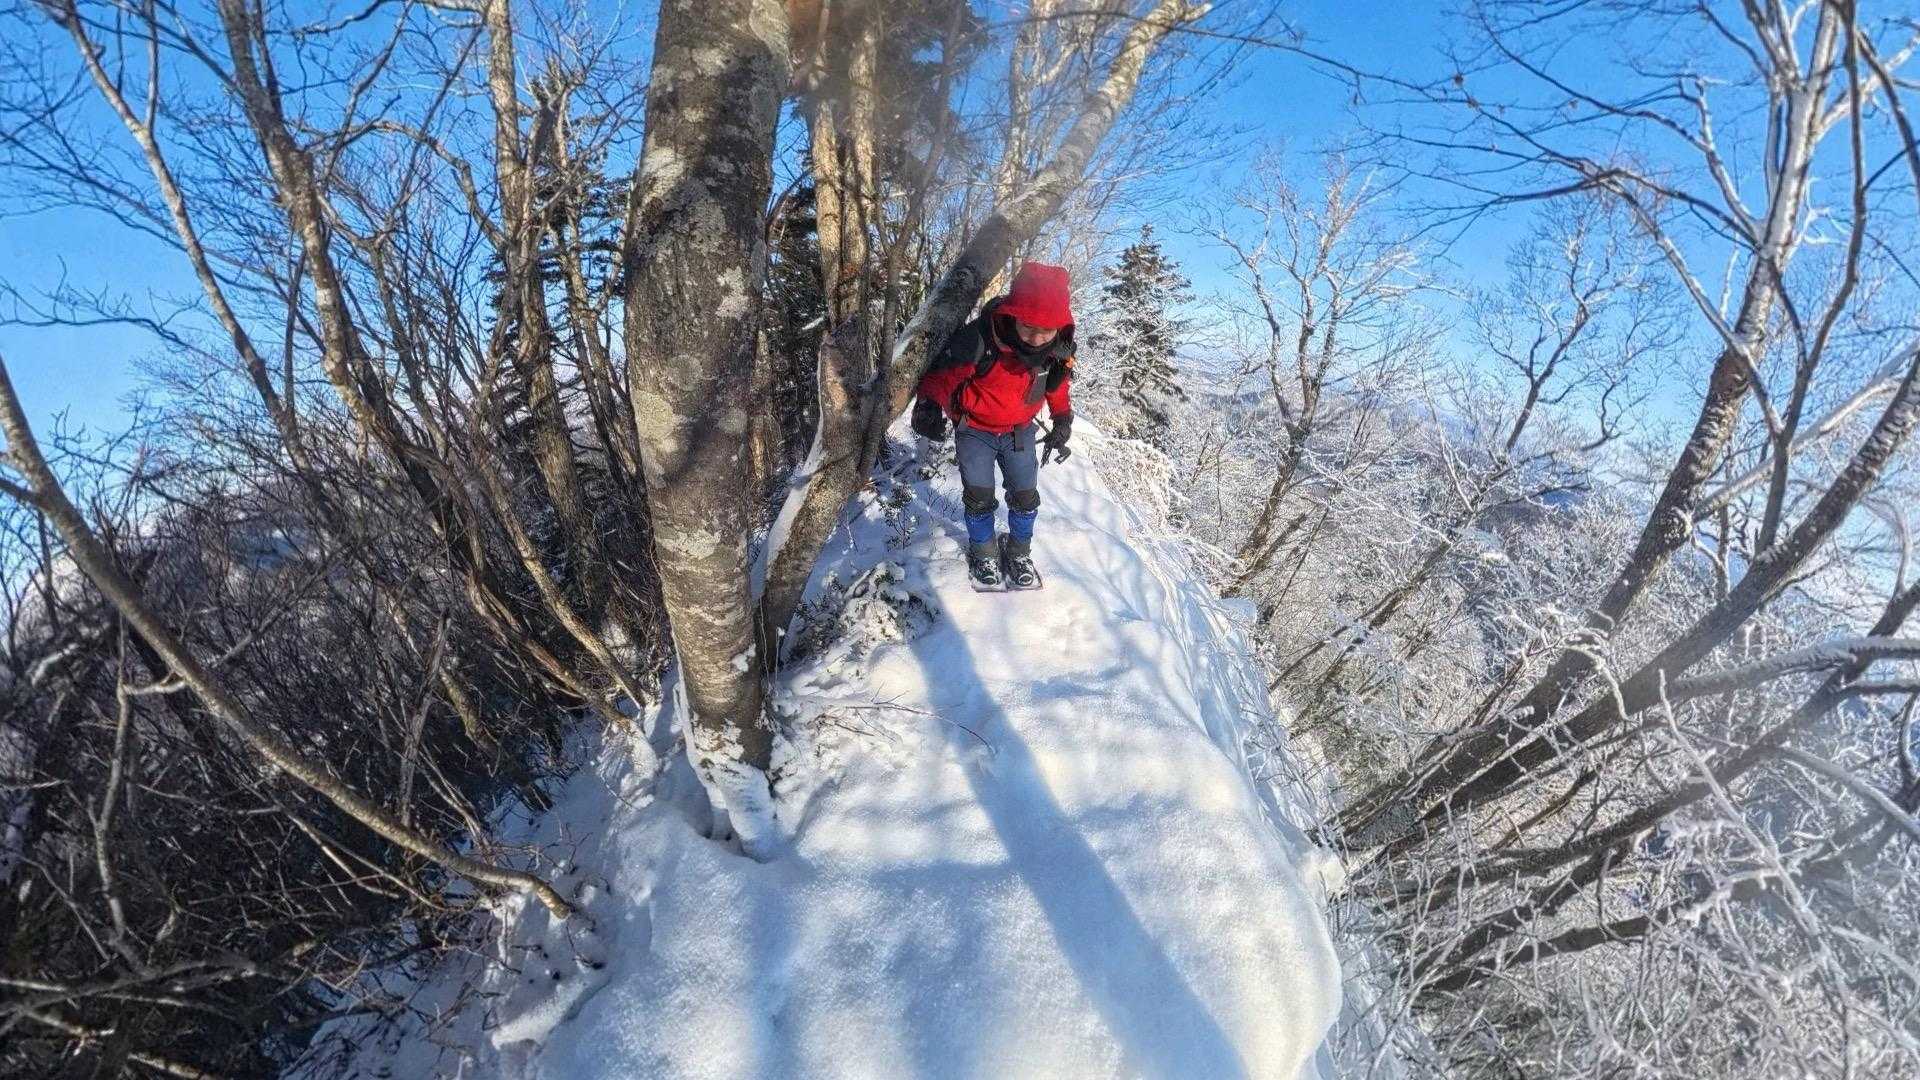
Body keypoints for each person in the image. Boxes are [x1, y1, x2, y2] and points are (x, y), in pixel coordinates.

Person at [911, 261, 1075, 590]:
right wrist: (928, 403)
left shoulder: (1056, 350)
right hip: (975, 430)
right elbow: (945, 375)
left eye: (1047, 330)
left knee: (1026, 497)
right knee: (979, 496)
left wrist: (1061, 418)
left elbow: (1057, 386)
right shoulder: (981, 339)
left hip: (1020, 432)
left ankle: (1019, 553)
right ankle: (984, 553)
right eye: (1028, 326)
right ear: (1013, 315)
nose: (1037, 337)